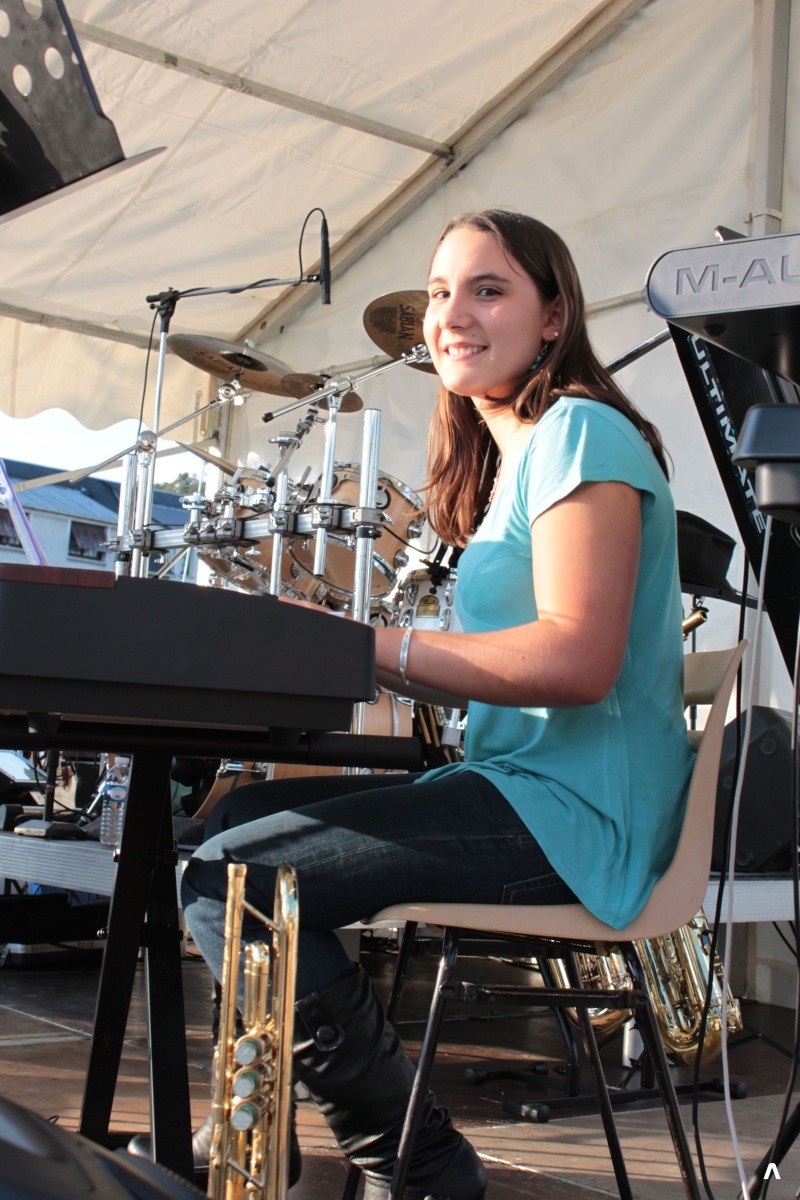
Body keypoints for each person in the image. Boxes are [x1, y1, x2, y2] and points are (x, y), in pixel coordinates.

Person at [176, 209, 696, 1198]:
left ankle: (415, 1167)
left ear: (553, 316)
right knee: (235, 822)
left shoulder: (580, 430)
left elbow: (576, 662)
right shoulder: (516, 462)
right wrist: (341, 647)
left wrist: (364, 647)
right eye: (441, 292)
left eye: (487, 289)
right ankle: (267, 1136)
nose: (451, 314)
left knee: (226, 880)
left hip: (578, 819)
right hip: (524, 793)